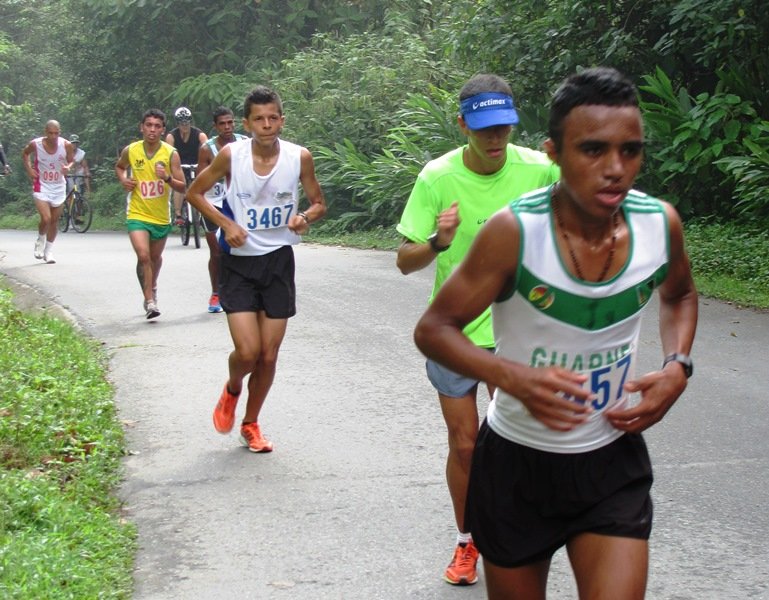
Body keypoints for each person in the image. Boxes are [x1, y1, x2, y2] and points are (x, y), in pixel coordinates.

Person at [413, 67, 698, 599]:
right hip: (518, 464)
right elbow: (434, 330)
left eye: (630, 151)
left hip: (611, 458)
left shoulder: (659, 224)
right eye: (593, 150)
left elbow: (679, 294)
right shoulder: (514, 233)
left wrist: (677, 366)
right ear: (553, 153)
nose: (615, 169)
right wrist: (511, 376)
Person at [396, 74, 560, 586]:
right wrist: (438, 241)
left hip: (520, 328)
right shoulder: (437, 177)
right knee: (466, 444)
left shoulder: (541, 169)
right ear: (463, 123)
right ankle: (467, 543)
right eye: (485, 128)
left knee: (523, 443)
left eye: (505, 128)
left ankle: (518, 537)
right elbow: (404, 261)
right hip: (456, 330)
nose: (495, 140)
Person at [186, 85, 326, 453]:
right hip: (239, 263)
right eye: (259, 119)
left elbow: (318, 203)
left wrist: (304, 217)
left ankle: (251, 423)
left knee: (268, 355)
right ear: (247, 124)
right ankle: (233, 388)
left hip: (278, 261)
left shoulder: (300, 157)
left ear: (282, 119)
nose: (267, 125)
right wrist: (226, 225)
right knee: (248, 353)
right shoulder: (232, 156)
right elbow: (194, 194)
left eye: (273, 118)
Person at [115, 108, 185, 319]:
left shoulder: (170, 154)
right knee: (144, 256)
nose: (152, 130)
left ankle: (152, 286)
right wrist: (124, 180)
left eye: (157, 126)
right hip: (137, 213)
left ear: (163, 130)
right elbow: (119, 167)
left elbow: (183, 187)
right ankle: (150, 301)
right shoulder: (131, 150)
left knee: (154, 258)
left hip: (161, 217)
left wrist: (167, 179)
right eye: (148, 125)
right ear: (142, 127)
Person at [196, 106, 248, 313]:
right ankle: (216, 292)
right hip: (213, 203)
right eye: (222, 124)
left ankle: (241, 290)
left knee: (242, 247)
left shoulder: (245, 142)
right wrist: (218, 172)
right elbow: (201, 181)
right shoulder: (207, 149)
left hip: (239, 202)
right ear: (215, 126)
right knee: (217, 251)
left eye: (230, 122)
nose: (227, 127)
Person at [21, 120, 75, 264]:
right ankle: (40, 239)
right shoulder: (36, 144)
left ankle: (48, 251)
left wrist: (68, 167)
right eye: (50, 133)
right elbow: (25, 154)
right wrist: (29, 169)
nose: (53, 136)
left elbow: (71, 160)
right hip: (42, 185)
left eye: (56, 133)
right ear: (45, 132)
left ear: (60, 132)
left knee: (54, 221)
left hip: (58, 186)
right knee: (46, 218)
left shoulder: (66, 145)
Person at [165, 106, 207, 226]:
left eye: (187, 123)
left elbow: (207, 147)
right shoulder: (171, 136)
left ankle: (202, 212)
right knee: (180, 186)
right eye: (182, 123)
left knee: (200, 186)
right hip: (179, 165)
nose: (185, 126)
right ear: (177, 123)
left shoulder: (199, 134)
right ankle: (178, 215)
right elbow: (169, 153)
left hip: (196, 163)